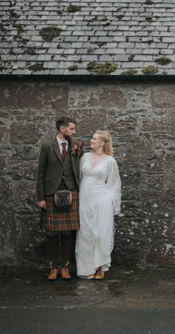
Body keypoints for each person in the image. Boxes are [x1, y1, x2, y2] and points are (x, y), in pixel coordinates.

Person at [36, 117, 82, 281]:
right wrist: (41, 198)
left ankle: (65, 267)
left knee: (68, 231)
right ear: (62, 129)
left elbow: (80, 168)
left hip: (71, 192)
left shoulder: (77, 146)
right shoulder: (48, 146)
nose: (74, 132)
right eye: (71, 129)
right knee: (52, 230)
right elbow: (41, 173)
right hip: (51, 192)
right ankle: (53, 268)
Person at [76, 130, 121, 280]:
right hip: (85, 198)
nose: (91, 141)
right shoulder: (85, 157)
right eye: (91, 138)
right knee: (86, 232)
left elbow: (115, 184)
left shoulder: (110, 161)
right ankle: (87, 267)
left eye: (94, 139)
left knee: (100, 233)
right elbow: (79, 177)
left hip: (101, 200)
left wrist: (107, 198)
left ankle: (100, 265)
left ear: (102, 143)